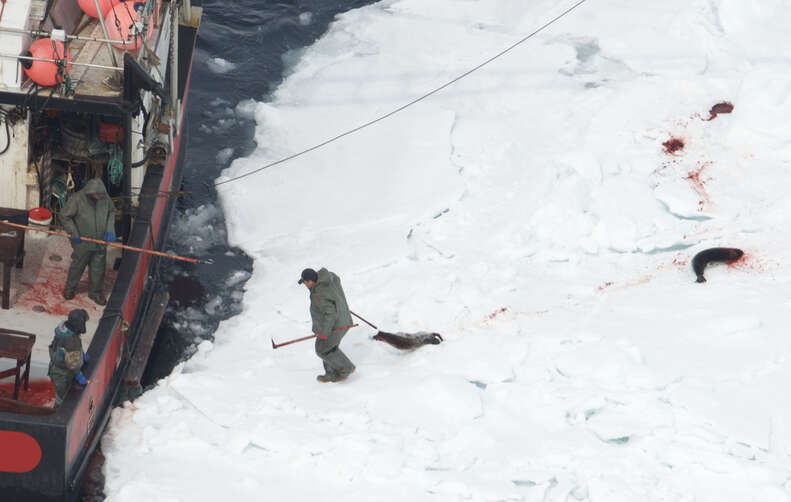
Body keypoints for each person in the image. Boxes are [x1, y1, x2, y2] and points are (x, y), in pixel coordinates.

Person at [60, 178, 117, 305]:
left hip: (100, 241)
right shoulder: (77, 199)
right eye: (98, 194)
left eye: (102, 194)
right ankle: (70, 289)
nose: (101, 196)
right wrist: (73, 232)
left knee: (98, 268)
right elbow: (64, 216)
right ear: (90, 192)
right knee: (78, 266)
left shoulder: (104, 198)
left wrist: (110, 229)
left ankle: (95, 293)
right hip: (82, 242)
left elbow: (111, 212)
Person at [299, 267, 356, 382]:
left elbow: (330, 315)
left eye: (305, 282)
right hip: (343, 318)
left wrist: (324, 333)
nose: (305, 285)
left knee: (322, 349)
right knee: (329, 347)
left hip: (337, 325)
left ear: (310, 282)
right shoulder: (328, 277)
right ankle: (331, 372)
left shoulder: (319, 295)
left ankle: (346, 368)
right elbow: (336, 278)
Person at [48, 309, 90, 407]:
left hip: (60, 370)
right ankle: (56, 416)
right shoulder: (70, 340)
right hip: (61, 375)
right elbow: (72, 364)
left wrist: (80, 354)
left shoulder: (67, 332)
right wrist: (79, 375)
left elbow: (68, 350)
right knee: (61, 399)